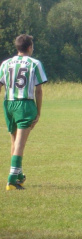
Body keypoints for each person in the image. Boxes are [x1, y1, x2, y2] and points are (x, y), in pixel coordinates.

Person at [0, 34, 47, 190]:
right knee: (20, 143)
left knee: (14, 141)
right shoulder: (34, 63)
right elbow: (38, 90)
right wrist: (38, 112)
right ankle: (12, 179)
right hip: (25, 104)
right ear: (29, 47)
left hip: (8, 104)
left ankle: (19, 175)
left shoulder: (5, 64)